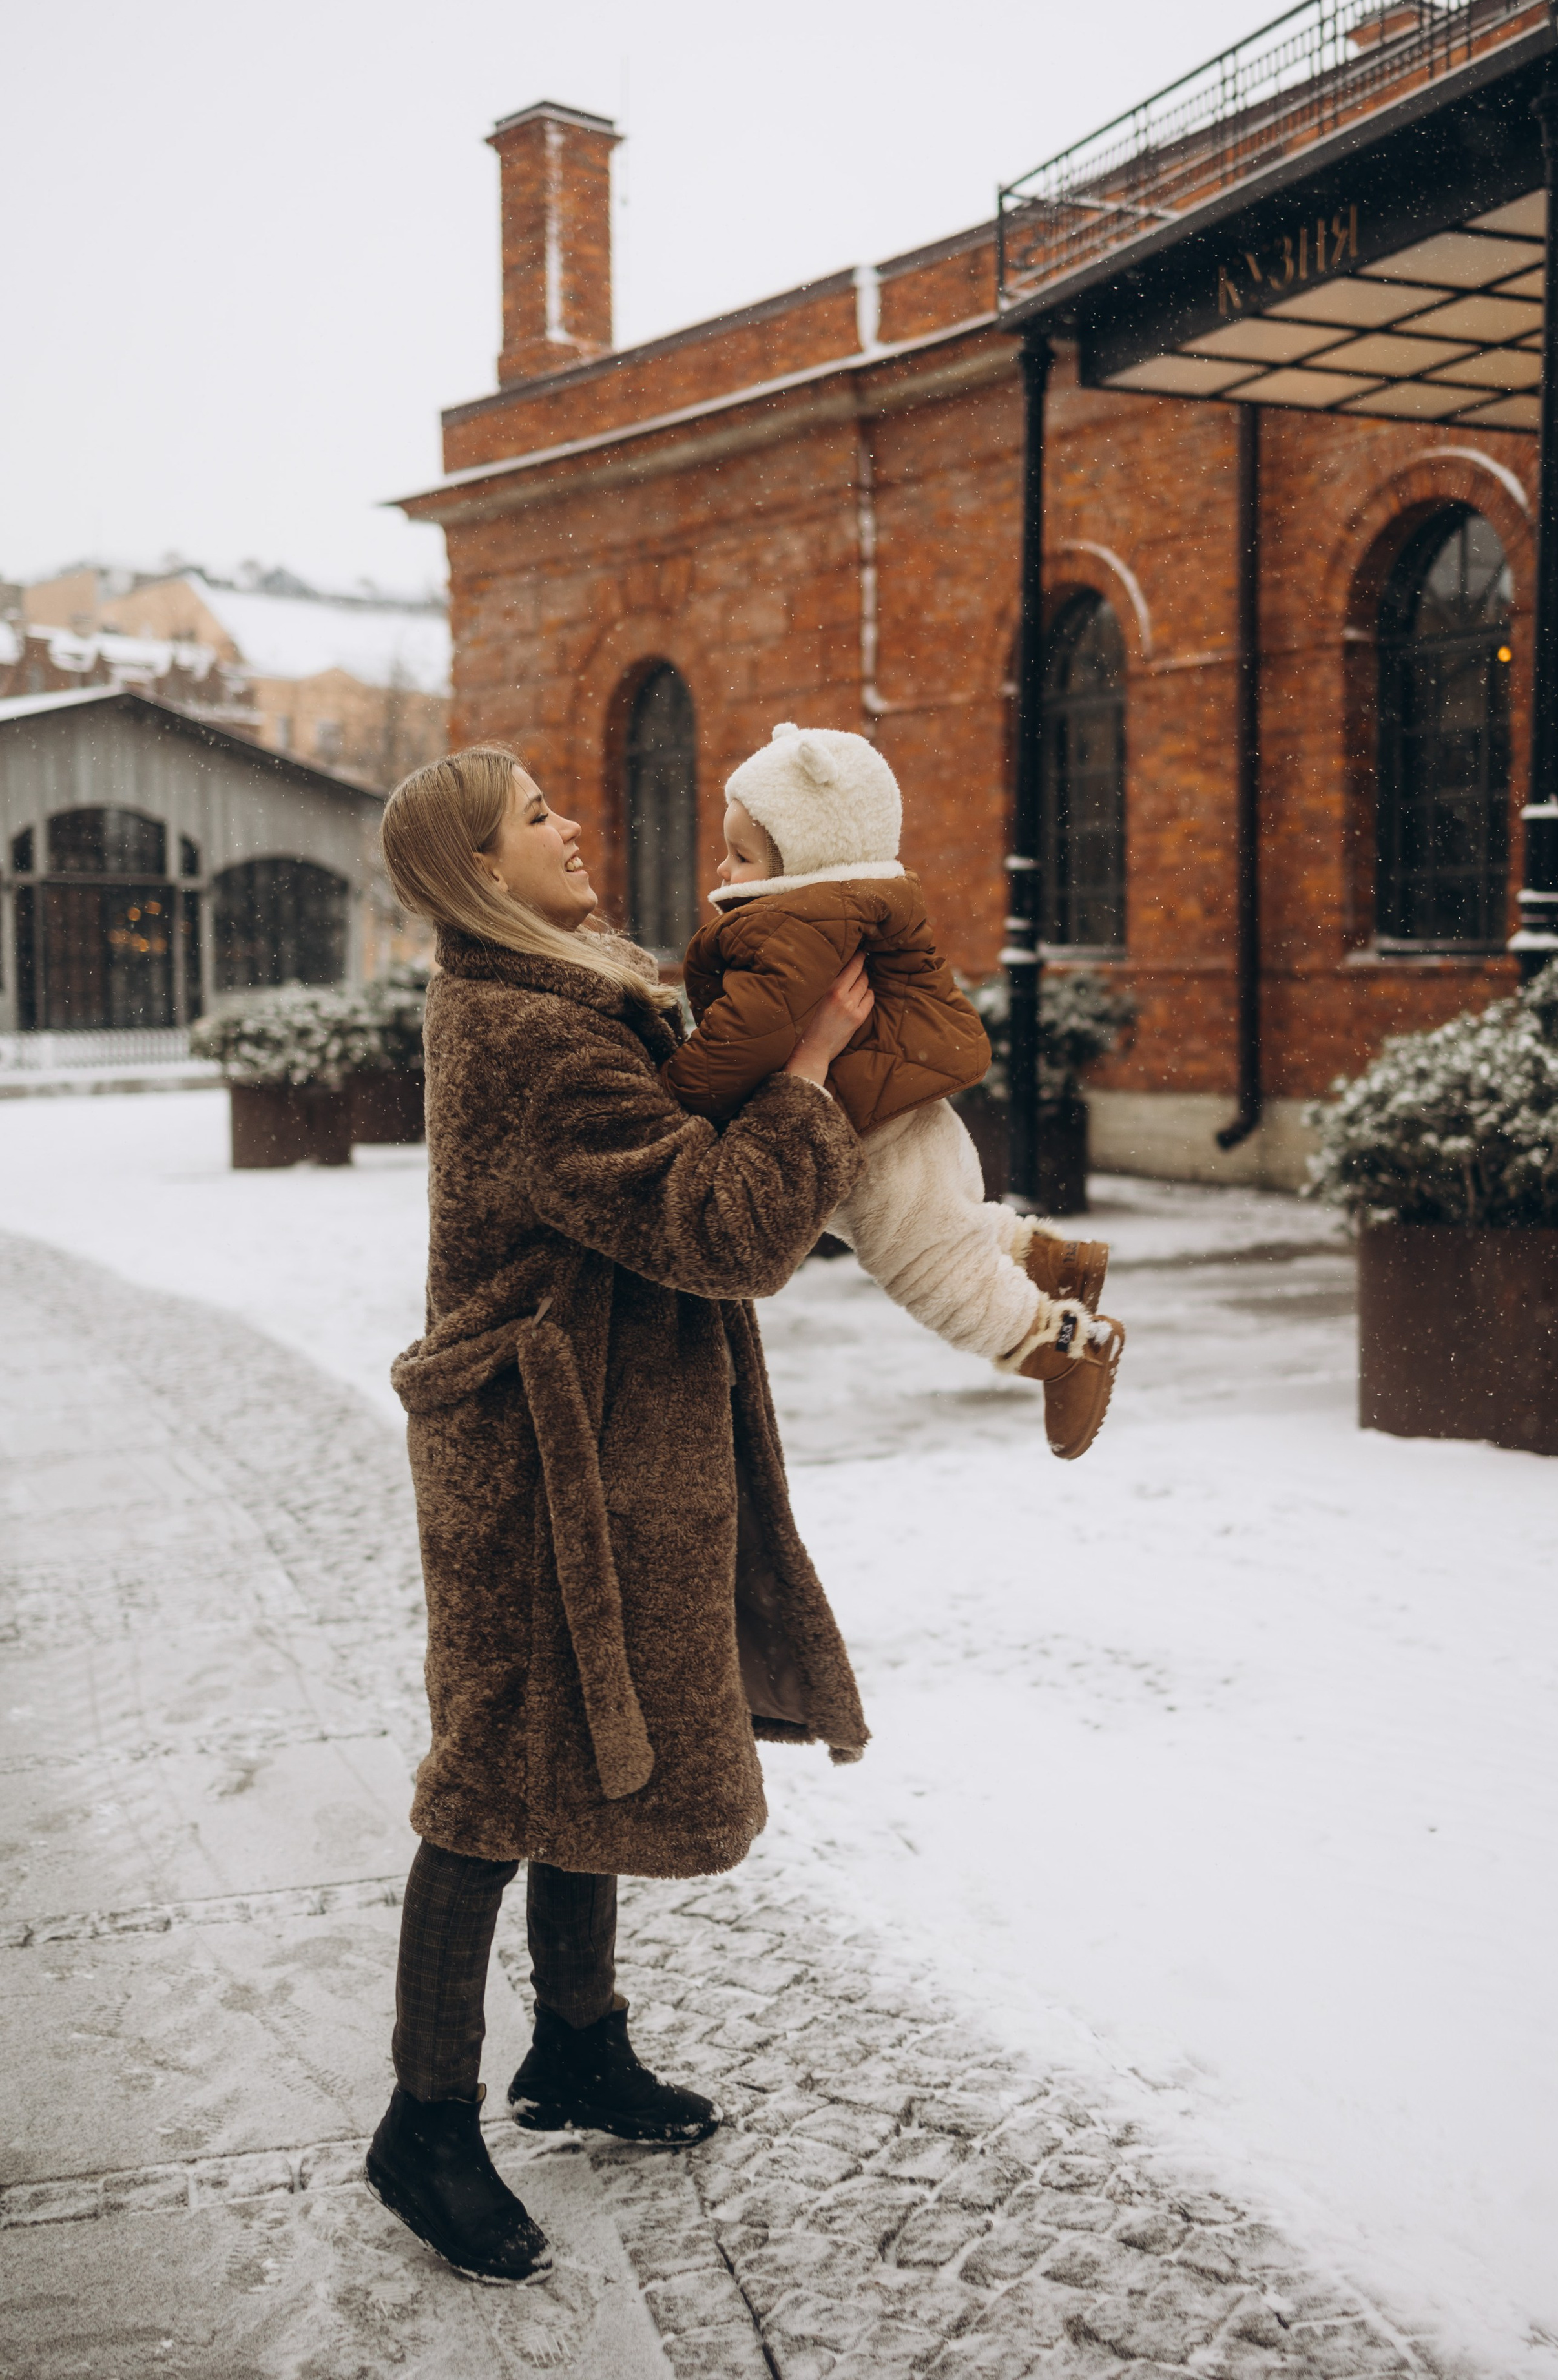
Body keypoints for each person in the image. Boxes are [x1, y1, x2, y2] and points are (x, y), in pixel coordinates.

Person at [369, 742, 874, 2284]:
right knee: (492, 1769)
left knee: (583, 1735)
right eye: (534, 818)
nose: (571, 824)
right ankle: (424, 2121)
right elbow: (713, 1220)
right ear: (476, 869)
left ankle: (578, 2045)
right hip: (538, 1460)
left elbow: (683, 1193)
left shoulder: (567, 997)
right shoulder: (533, 1034)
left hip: (591, 1428)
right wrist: (803, 1080)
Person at [663, 722, 1125, 1462]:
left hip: (864, 1121)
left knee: (923, 1263)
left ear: (808, 851)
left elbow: (744, 1038)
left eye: (740, 855)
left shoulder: (797, 923)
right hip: (887, 1099)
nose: (721, 871)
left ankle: (1059, 1346)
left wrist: (675, 1097)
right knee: (935, 1219)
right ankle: (1047, 1259)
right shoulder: (847, 903)